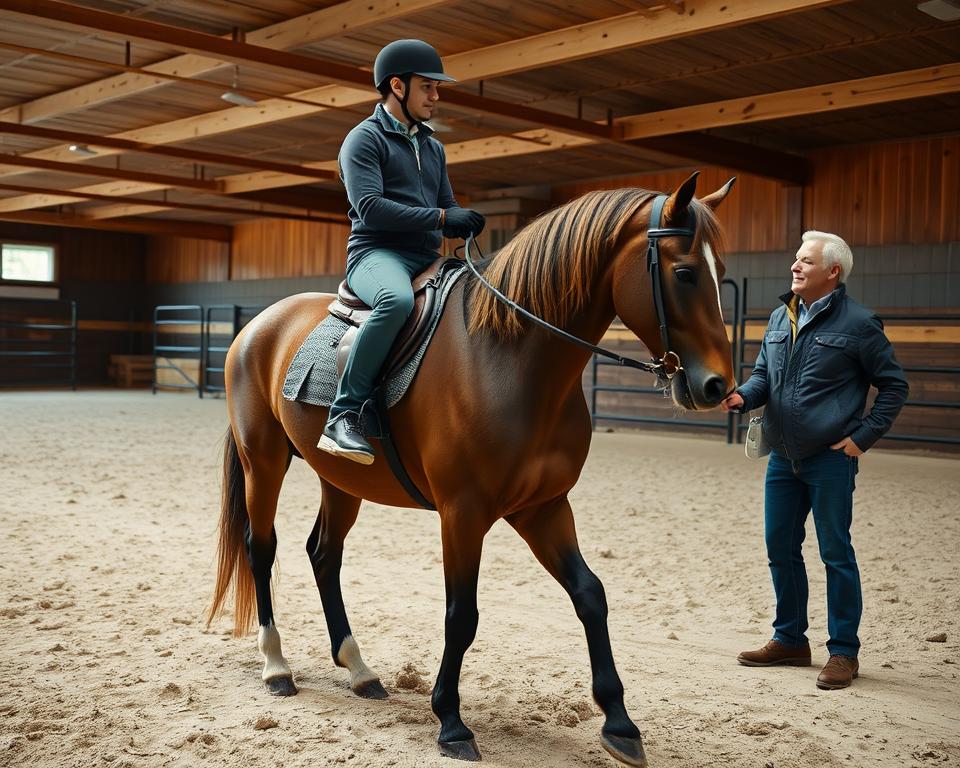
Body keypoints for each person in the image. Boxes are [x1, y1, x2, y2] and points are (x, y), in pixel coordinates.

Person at [721, 231, 908, 690]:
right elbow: (764, 375)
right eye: (795, 259)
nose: (795, 267)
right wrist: (743, 396)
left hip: (830, 460)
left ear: (833, 272)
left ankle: (843, 652)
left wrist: (862, 437)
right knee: (779, 550)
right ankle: (789, 640)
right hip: (782, 459)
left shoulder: (861, 324)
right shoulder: (780, 317)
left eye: (806, 261)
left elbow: (894, 386)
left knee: (835, 554)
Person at [318, 39, 486, 464]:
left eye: (436, 88)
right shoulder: (363, 140)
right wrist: (444, 220)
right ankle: (344, 415)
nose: (436, 96)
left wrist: (460, 215)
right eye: (427, 87)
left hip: (427, 257)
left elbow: (444, 203)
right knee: (393, 302)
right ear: (397, 85)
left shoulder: (432, 146)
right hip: (377, 255)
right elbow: (370, 208)